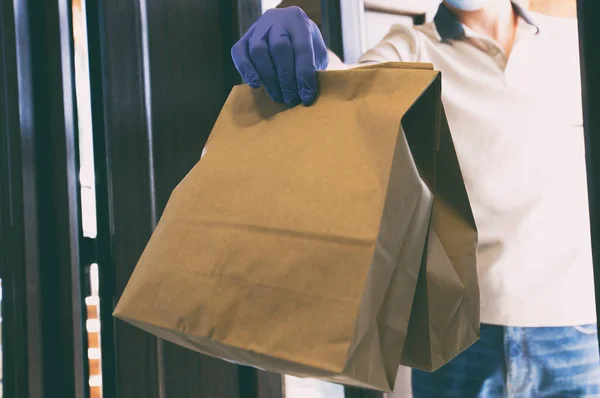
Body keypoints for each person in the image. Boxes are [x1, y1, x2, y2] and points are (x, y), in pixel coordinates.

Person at [231, 0, 600, 396]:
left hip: (576, 326)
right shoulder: (413, 48)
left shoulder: (571, 43)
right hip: (461, 332)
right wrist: (296, 38)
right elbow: (346, 85)